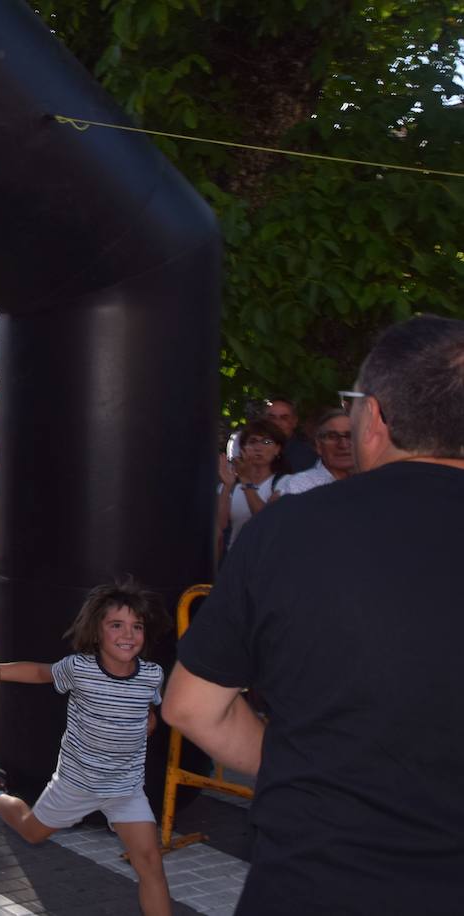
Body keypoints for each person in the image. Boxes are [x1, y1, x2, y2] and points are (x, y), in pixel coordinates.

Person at [166, 315, 464, 914]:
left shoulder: (286, 532)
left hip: (315, 877)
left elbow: (191, 707)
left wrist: (300, 763)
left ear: (374, 418)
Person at [0, 579, 172, 916]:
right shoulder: (80, 668)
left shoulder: (151, 675)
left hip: (125, 789)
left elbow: (148, 712)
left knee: (151, 867)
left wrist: (150, 723)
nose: (128, 635)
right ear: (98, 631)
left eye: (137, 627)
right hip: (75, 784)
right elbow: (41, 673)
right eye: (116, 625)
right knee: (32, 831)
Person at [214, 418, 284, 561]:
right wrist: (227, 486)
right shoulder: (233, 486)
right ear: (243, 448)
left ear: (277, 449)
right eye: (252, 442)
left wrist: (246, 480)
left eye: (266, 442)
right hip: (235, 561)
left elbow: (265, 521)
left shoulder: (284, 483)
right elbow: (220, 526)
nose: (258, 447)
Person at [273, 408, 354, 495]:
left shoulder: (369, 483)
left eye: (350, 435)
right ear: (318, 445)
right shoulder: (300, 487)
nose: (343, 444)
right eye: (332, 436)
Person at [263, 397, 317, 473]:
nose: (277, 423)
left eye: (284, 418)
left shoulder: (307, 453)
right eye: (272, 418)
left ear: (295, 422)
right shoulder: (254, 448)